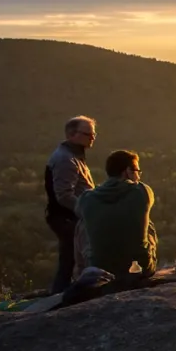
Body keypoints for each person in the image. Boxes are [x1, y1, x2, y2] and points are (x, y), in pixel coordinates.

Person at [77, 150, 158, 278]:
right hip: (139, 267)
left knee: (82, 224)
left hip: (99, 268)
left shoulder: (86, 198)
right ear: (127, 172)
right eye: (137, 171)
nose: (139, 176)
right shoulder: (142, 192)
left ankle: (81, 273)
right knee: (148, 223)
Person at [45, 116, 97, 294]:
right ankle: (63, 297)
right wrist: (86, 212)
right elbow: (64, 195)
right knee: (72, 258)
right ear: (71, 134)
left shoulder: (74, 156)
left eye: (93, 133)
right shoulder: (65, 159)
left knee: (70, 259)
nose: (93, 137)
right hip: (67, 218)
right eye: (88, 134)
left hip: (69, 216)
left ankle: (62, 294)